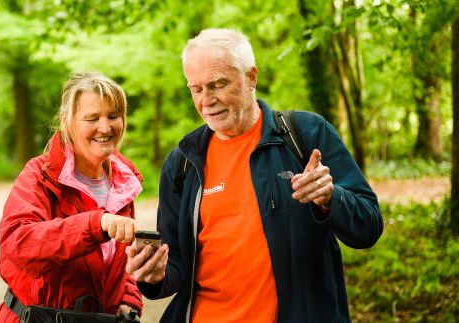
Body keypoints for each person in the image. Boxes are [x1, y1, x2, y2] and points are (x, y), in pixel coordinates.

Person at [125, 28, 384, 322]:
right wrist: (155, 275)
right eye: (196, 89)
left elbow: (369, 227)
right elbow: (175, 265)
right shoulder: (183, 162)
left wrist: (330, 198)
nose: (206, 100)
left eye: (218, 84)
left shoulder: (306, 135)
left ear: (251, 78)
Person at [0, 72, 144, 322]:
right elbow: (18, 243)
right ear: (68, 121)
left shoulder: (122, 183)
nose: (105, 128)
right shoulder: (39, 174)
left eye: (113, 116)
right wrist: (96, 224)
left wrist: (128, 299)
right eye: (92, 118)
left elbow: (119, 265)